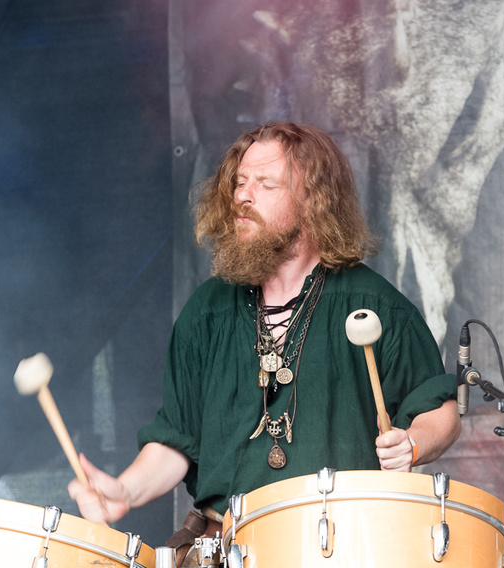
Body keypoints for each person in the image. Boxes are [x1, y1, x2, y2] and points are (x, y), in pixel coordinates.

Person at [68, 121, 460, 541]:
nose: (242, 196)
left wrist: (412, 443)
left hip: (339, 543)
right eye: (240, 182)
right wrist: (124, 489)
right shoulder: (207, 312)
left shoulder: (376, 306)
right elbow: (177, 440)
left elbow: (440, 412)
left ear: (313, 199)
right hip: (227, 544)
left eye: (266, 184)